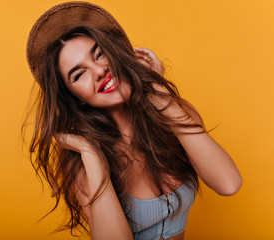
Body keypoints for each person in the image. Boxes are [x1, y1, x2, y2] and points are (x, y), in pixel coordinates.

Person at [24, 2, 242, 240]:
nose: (98, 70)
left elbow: (228, 183)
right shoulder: (80, 160)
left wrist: (156, 93)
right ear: (76, 99)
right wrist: (90, 154)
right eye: (79, 74)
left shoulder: (173, 112)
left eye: (100, 54)